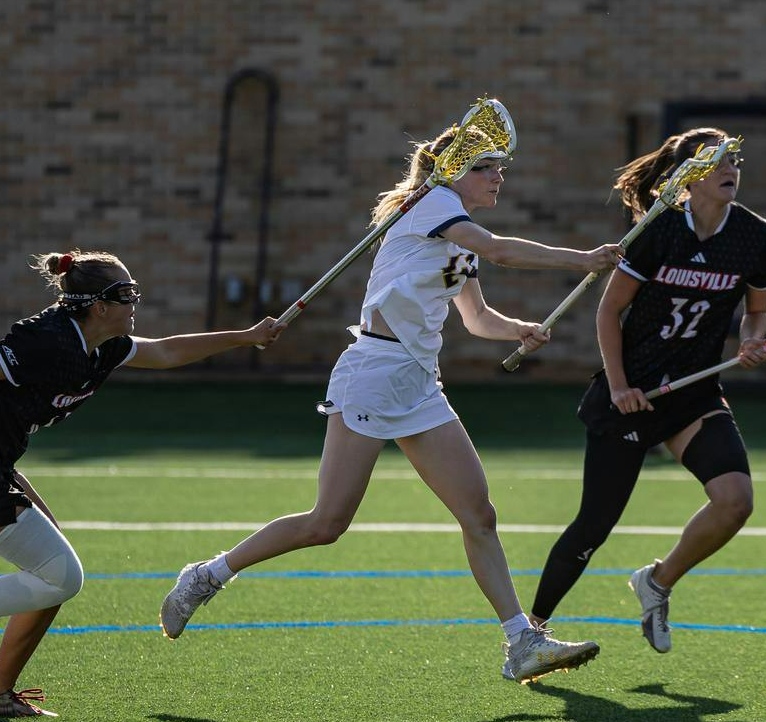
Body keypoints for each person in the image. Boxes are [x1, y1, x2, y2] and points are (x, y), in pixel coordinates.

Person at [159, 129, 621, 683]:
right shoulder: (434, 205)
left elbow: (474, 318)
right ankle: (207, 576)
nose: (499, 175)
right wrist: (584, 260)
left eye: (501, 167)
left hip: (419, 382)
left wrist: (517, 329)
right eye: (486, 166)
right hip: (373, 375)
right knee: (327, 523)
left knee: (479, 514)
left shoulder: (456, 240)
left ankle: (521, 641)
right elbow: (500, 250)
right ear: (453, 172)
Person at [0, 250, 282, 718]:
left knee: (53, 574)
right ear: (98, 305)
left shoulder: (105, 345)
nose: (134, 301)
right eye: (125, 294)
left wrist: (246, 337)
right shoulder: (48, 339)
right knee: (62, 574)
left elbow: (165, 351)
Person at [528, 128, 766, 652]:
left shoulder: (754, 235)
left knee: (735, 502)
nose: (731, 169)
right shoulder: (659, 231)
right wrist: (619, 388)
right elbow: (609, 309)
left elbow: (757, 312)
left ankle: (657, 581)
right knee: (593, 526)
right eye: (716, 162)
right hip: (632, 395)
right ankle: (530, 631)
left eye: (735, 160)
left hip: (694, 395)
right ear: (688, 175)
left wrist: (753, 342)